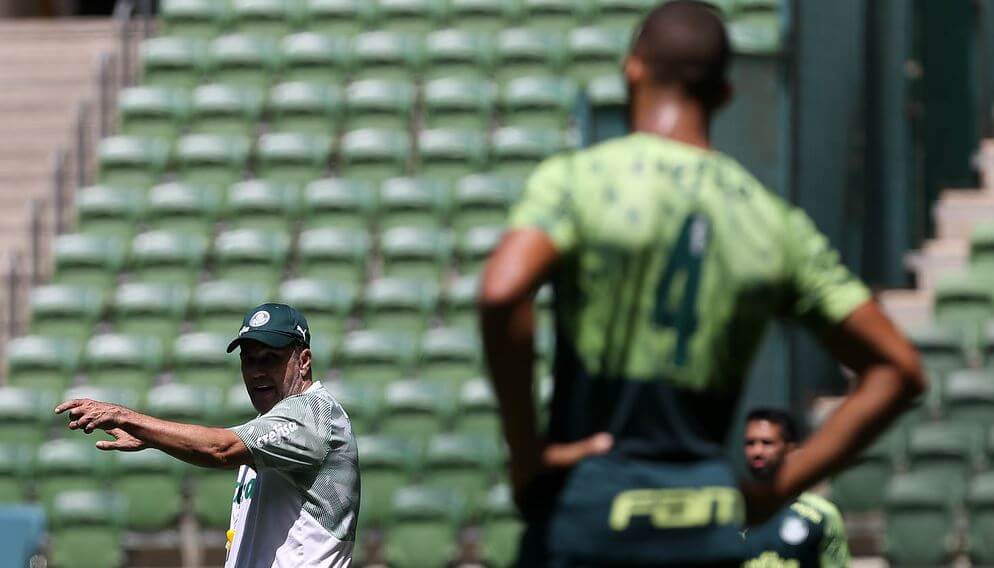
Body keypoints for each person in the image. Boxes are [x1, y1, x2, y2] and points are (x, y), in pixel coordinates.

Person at [478, 1, 926, 565]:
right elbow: (899, 370)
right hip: (707, 514)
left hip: (591, 505)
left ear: (632, 68)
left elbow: (501, 291)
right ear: (724, 93)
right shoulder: (770, 220)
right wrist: (779, 487)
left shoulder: (580, 180)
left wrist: (526, 451)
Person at [55, 303, 360, 568]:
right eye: (248, 359)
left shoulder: (313, 415)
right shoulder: (269, 424)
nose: (256, 371)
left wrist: (128, 418)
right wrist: (150, 437)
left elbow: (220, 449)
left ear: (304, 360)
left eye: (270, 358)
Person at [742, 408, 850, 567]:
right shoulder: (732, 512)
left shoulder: (822, 515)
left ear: (790, 448)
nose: (757, 451)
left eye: (767, 443)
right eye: (750, 443)